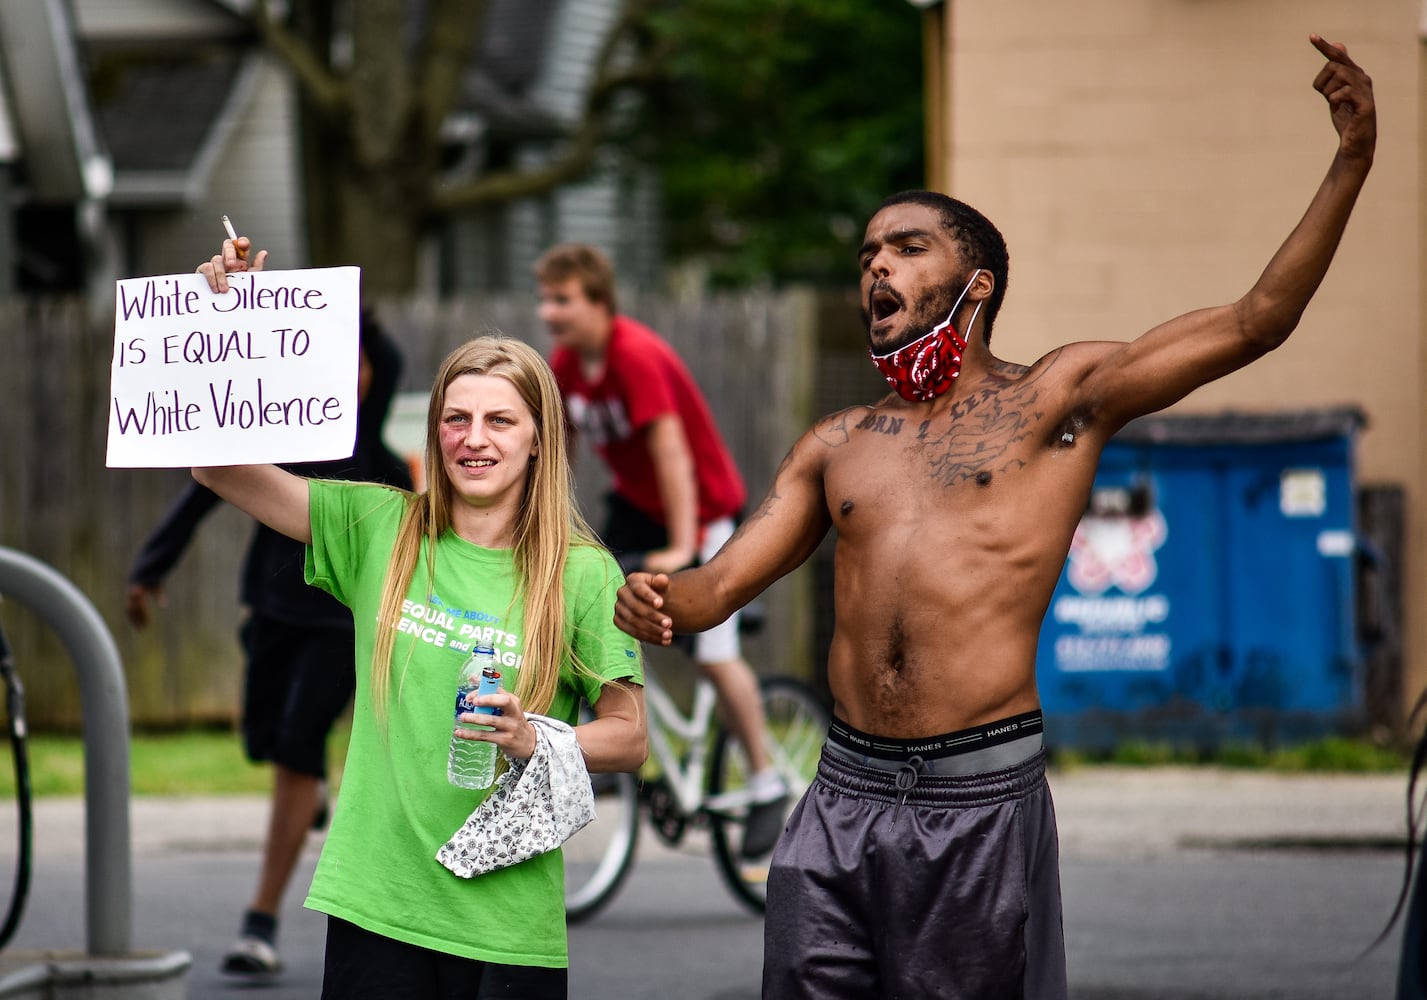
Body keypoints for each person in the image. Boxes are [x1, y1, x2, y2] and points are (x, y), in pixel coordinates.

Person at [615, 34, 1375, 1000]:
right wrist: (659, 600)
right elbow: (716, 587)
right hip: (840, 796)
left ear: (974, 284)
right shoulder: (838, 440)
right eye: (865, 255)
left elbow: (1254, 318)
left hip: (976, 798)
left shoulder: (1061, 398)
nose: (875, 268)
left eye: (904, 246)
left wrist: (1349, 164)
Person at [191, 236, 648, 999]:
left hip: (506, 930)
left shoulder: (581, 571)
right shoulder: (379, 526)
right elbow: (214, 465)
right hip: (375, 905)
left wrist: (536, 735)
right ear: (431, 430)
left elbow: (629, 736)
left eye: (500, 421)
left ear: (539, 439)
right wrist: (228, 320)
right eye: (456, 418)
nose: (474, 439)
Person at [124, 309, 413, 976]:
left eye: (364, 364)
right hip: (271, 606)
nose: (354, 376)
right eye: (342, 363)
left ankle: (261, 923)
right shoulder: (279, 439)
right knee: (262, 738)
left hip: (340, 625)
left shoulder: (385, 470)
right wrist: (148, 569)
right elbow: (204, 489)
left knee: (293, 748)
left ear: (380, 372)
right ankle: (305, 787)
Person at [535, 242, 788, 856]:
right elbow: (560, 450)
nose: (549, 313)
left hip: (702, 511)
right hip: (639, 507)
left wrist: (681, 546)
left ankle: (765, 779)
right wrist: (551, 524)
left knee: (712, 653)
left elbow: (672, 454)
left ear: (599, 301)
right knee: (579, 592)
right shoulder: (567, 363)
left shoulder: (636, 355)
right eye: (545, 300)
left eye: (562, 300)